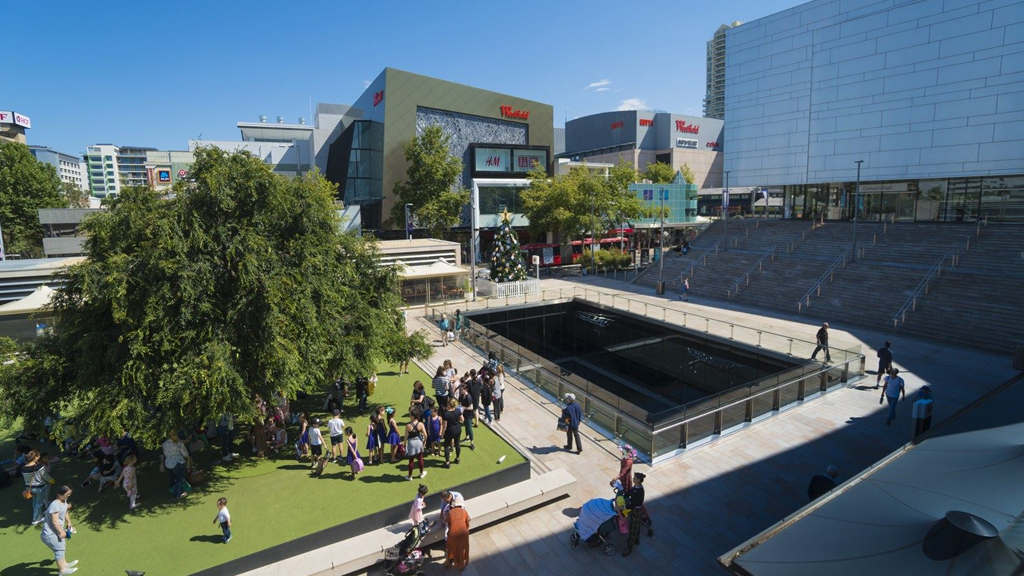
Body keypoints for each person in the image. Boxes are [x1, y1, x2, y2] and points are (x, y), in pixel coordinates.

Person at [40, 485, 77, 575]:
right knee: (59, 550)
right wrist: (61, 532)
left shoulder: (63, 501)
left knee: (62, 547)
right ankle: (62, 571)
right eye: (66, 495)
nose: (68, 496)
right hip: (50, 534)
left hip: (56, 532)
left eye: (69, 494)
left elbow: (65, 512)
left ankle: (64, 565)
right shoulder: (55, 504)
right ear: (59, 494)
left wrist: (69, 523)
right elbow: (55, 521)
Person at [21, 449, 54, 525]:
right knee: (39, 503)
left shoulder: (23, 468)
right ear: (35, 458)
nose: (39, 456)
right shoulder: (39, 467)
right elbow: (45, 476)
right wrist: (52, 481)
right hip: (40, 487)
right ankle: (35, 519)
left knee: (35, 502)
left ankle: (38, 515)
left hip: (29, 488)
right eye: (38, 455)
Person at [621, 472, 646, 557]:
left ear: (638, 480)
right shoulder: (635, 487)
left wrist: (625, 506)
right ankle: (636, 539)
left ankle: (629, 547)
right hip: (633, 508)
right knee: (637, 524)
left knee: (633, 527)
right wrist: (623, 496)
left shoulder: (639, 491)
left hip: (636, 510)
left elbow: (635, 503)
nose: (633, 479)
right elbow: (629, 493)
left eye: (635, 478)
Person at [160, 433, 190, 498]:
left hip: (168, 463)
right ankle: (179, 493)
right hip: (178, 462)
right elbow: (185, 453)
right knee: (180, 478)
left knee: (172, 478)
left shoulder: (165, 443)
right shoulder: (179, 443)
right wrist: (187, 457)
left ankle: (173, 490)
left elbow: (165, 453)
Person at [445, 494, 471, 570]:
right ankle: (461, 565)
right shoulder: (464, 512)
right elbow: (467, 524)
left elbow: (449, 524)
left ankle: (449, 562)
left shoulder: (450, 512)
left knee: (450, 547)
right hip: (464, 534)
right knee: (462, 548)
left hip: (453, 534)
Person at [405, 410, 428, 480]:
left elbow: (406, 437)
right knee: (420, 458)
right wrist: (424, 441)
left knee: (411, 460)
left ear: (412, 416)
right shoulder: (421, 424)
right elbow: (425, 435)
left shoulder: (408, 425)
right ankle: (421, 473)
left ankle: (410, 476)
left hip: (411, 443)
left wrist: (404, 444)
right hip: (419, 442)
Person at [442, 398, 464, 468]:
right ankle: (457, 459)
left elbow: (445, 425)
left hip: (450, 431)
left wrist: (442, 433)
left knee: (446, 446)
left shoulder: (446, 414)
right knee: (457, 444)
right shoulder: (458, 411)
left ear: (449, 405)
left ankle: (447, 462)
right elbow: (462, 419)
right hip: (458, 429)